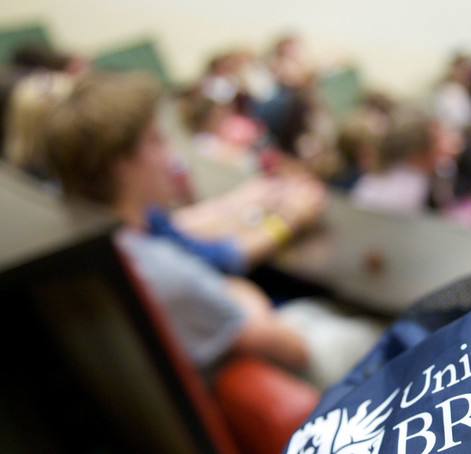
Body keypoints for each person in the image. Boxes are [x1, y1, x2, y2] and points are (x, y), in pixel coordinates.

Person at [44, 71, 309, 374]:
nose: (171, 155)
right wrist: (287, 221)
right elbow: (293, 348)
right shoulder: (165, 274)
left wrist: (242, 201)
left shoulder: (116, 226)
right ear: (122, 166)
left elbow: (181, 228)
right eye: (156, 141)